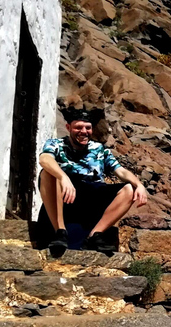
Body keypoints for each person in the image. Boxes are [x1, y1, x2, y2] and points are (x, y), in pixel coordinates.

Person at [38, 109, 148, 256]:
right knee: (47, 173)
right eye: (78, 127)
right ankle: (60, 231)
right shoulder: (56, 144)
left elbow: (121, 171)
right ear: (68, 128)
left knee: (129, 189)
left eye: (87, 128)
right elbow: (44, 159)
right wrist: (63, 177)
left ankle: (95, 235)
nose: (84, 131)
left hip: (93, 194)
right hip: (68, 194)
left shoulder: (99, 149)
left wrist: (139, 184)